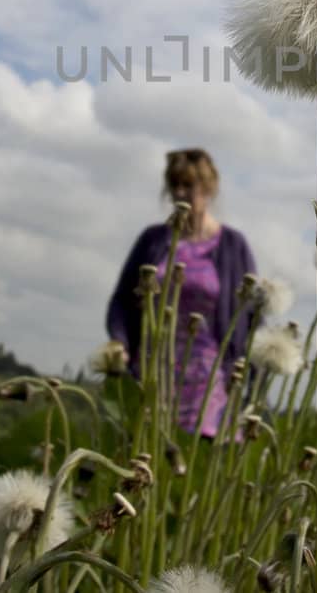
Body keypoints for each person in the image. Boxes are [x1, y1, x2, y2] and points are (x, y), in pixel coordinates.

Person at [105, 147, 259, 439]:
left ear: (209, 189)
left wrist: (246, 376)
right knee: (144, 450)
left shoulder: (233, 246)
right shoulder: (153, 240)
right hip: (151, 369)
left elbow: (251, 316)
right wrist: (120, 342)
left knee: (198, 460)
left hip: (210, 377)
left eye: (188, 185)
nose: (180, 193)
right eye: (174, 185)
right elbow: (122, 300)